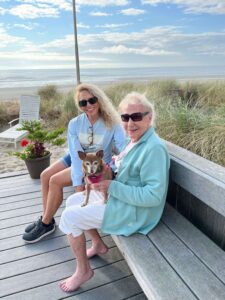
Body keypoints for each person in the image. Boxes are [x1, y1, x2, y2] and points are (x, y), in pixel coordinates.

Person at [58, 91, 170, 292]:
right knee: (73, 201)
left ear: (150, 117)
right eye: (125, 118)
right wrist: (109, 171)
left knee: (69, 217)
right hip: (123, 201)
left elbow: (154, 196)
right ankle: (98, 244)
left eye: (137, 117)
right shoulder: (135, 141)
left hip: (137, 214)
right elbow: (126, 170)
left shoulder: (154, 148)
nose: (130, 123)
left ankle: (83, 271)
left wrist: (113, 186)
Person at [22, 83, 126, 243]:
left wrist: (109, 169)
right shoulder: (75, 123)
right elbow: (76, 156)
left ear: (99, 100)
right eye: (83, 103)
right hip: (77, 157)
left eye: (92, 100)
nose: (88, 105)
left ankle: (45, 223)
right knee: (44, 175)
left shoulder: (112, 123)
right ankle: (48, 218)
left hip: (97, 163)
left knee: (54, 181)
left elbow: (123, 148)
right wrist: (79, 181)